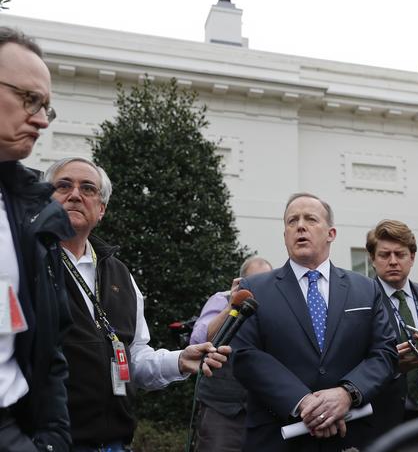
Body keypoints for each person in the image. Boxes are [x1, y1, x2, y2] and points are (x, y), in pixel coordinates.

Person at [44, 157, 230, 451]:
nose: (75, 194)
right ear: (46, 199)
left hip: (115, 443)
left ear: (101, 209)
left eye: (88, 188)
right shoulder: (26, 262)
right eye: (63, 185)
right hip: (48, 442)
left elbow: (134, 357)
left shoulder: (120, 274)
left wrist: (180, 360)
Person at [232, 193, 398, 452]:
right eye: (291, 221)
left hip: (350, 436)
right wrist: (304, 404)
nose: (300, 226)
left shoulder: (365, 289)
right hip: (277, 438)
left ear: (331, 233)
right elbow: (244, 355)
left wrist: (347, 394)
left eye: (310, 219)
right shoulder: (254, 289)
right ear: (285, 234)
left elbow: (385, 353)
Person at [0, 27, 74, 451]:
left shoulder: (32, 215)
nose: (42, 119)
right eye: (29, 99)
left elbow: (51, 350)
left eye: (47, 106)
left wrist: (53, 439)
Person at [365, 219, 418, 429]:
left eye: (400, 254)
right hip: (386, 419)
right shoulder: (362, 301)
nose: (393, 261)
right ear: (372, 259)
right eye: (384, 255)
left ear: (412, 257)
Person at [190, 255, 273, 452]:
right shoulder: (222, 300)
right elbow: (200, 340)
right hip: (222, 411)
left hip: (266, 412)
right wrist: (232, 305)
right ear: (241, 282)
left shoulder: (277, 305)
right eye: (255, 283)